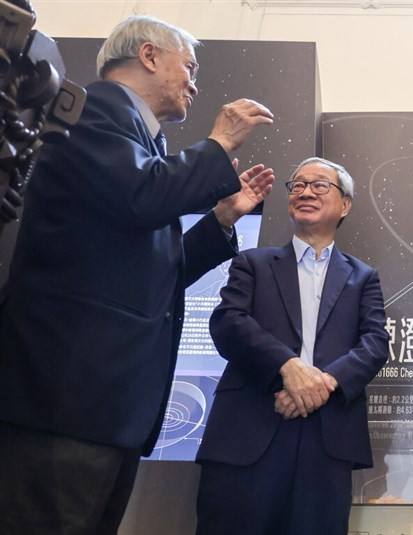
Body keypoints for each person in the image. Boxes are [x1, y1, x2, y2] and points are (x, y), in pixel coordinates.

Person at [0, 15, 275, 534]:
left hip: (105, 408)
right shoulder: (97, 110)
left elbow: (153, 268)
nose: (194, 83)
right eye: (188, 67)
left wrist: (220, 220)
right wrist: (218, 144)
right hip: (67, 402)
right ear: (149, 56)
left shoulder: (142, 143)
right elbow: (141, 196)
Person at [196, 157, 389, 535]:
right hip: (248, 432)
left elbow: (375, 342)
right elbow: (228, 323)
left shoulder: (363, 277)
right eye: (297, 185)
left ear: (344, 204)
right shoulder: (252, 263)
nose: (305, 192)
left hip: (326, 441)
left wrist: (322, 384)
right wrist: (288, 367)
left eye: (320, 185)